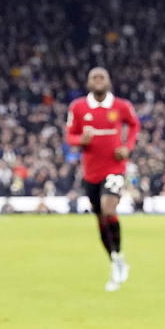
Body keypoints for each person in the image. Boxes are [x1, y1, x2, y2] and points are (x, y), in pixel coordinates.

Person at [66, 67, 141, 291]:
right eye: (94, 78)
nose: (98, 81)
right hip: (91, 172)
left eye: (102, 77)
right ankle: (115, 261)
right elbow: (70, 135)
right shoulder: (78, 107)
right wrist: (81, 139)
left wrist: (128, 147)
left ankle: (118, 258)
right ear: (88, 83)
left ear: (109, 82)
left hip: (114, 168)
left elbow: (135, 125)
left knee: (109, 209)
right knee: (100, 218)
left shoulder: (121, 106)